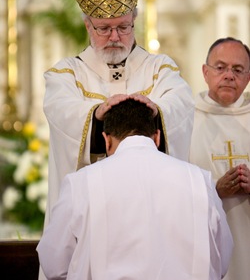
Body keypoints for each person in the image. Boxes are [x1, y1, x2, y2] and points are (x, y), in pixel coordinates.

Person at [42, 0, 194, 226]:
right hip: (92, 214)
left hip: (152, 208)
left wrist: (156, 111)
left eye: (123, 27)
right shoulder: (65, 74)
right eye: (104, 28)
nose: (115, 36)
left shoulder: (160, 68)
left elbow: (182, 102)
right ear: (88, 25)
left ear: (134, 20)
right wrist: (97, 114)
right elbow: (61, 110)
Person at [37, 98, 233, 280]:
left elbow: (54, 263)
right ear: (157, 137)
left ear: (106, 140)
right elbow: (221, 257)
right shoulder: (199, 179)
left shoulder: (80, 183)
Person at [189, 37, 250, 280]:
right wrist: (213, 190)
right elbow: (170, 188)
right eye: (220, 67)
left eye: (238, 70)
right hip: (203, 242)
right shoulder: (185, 119)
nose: (228, 75)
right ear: (205, 72)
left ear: (248, 77)